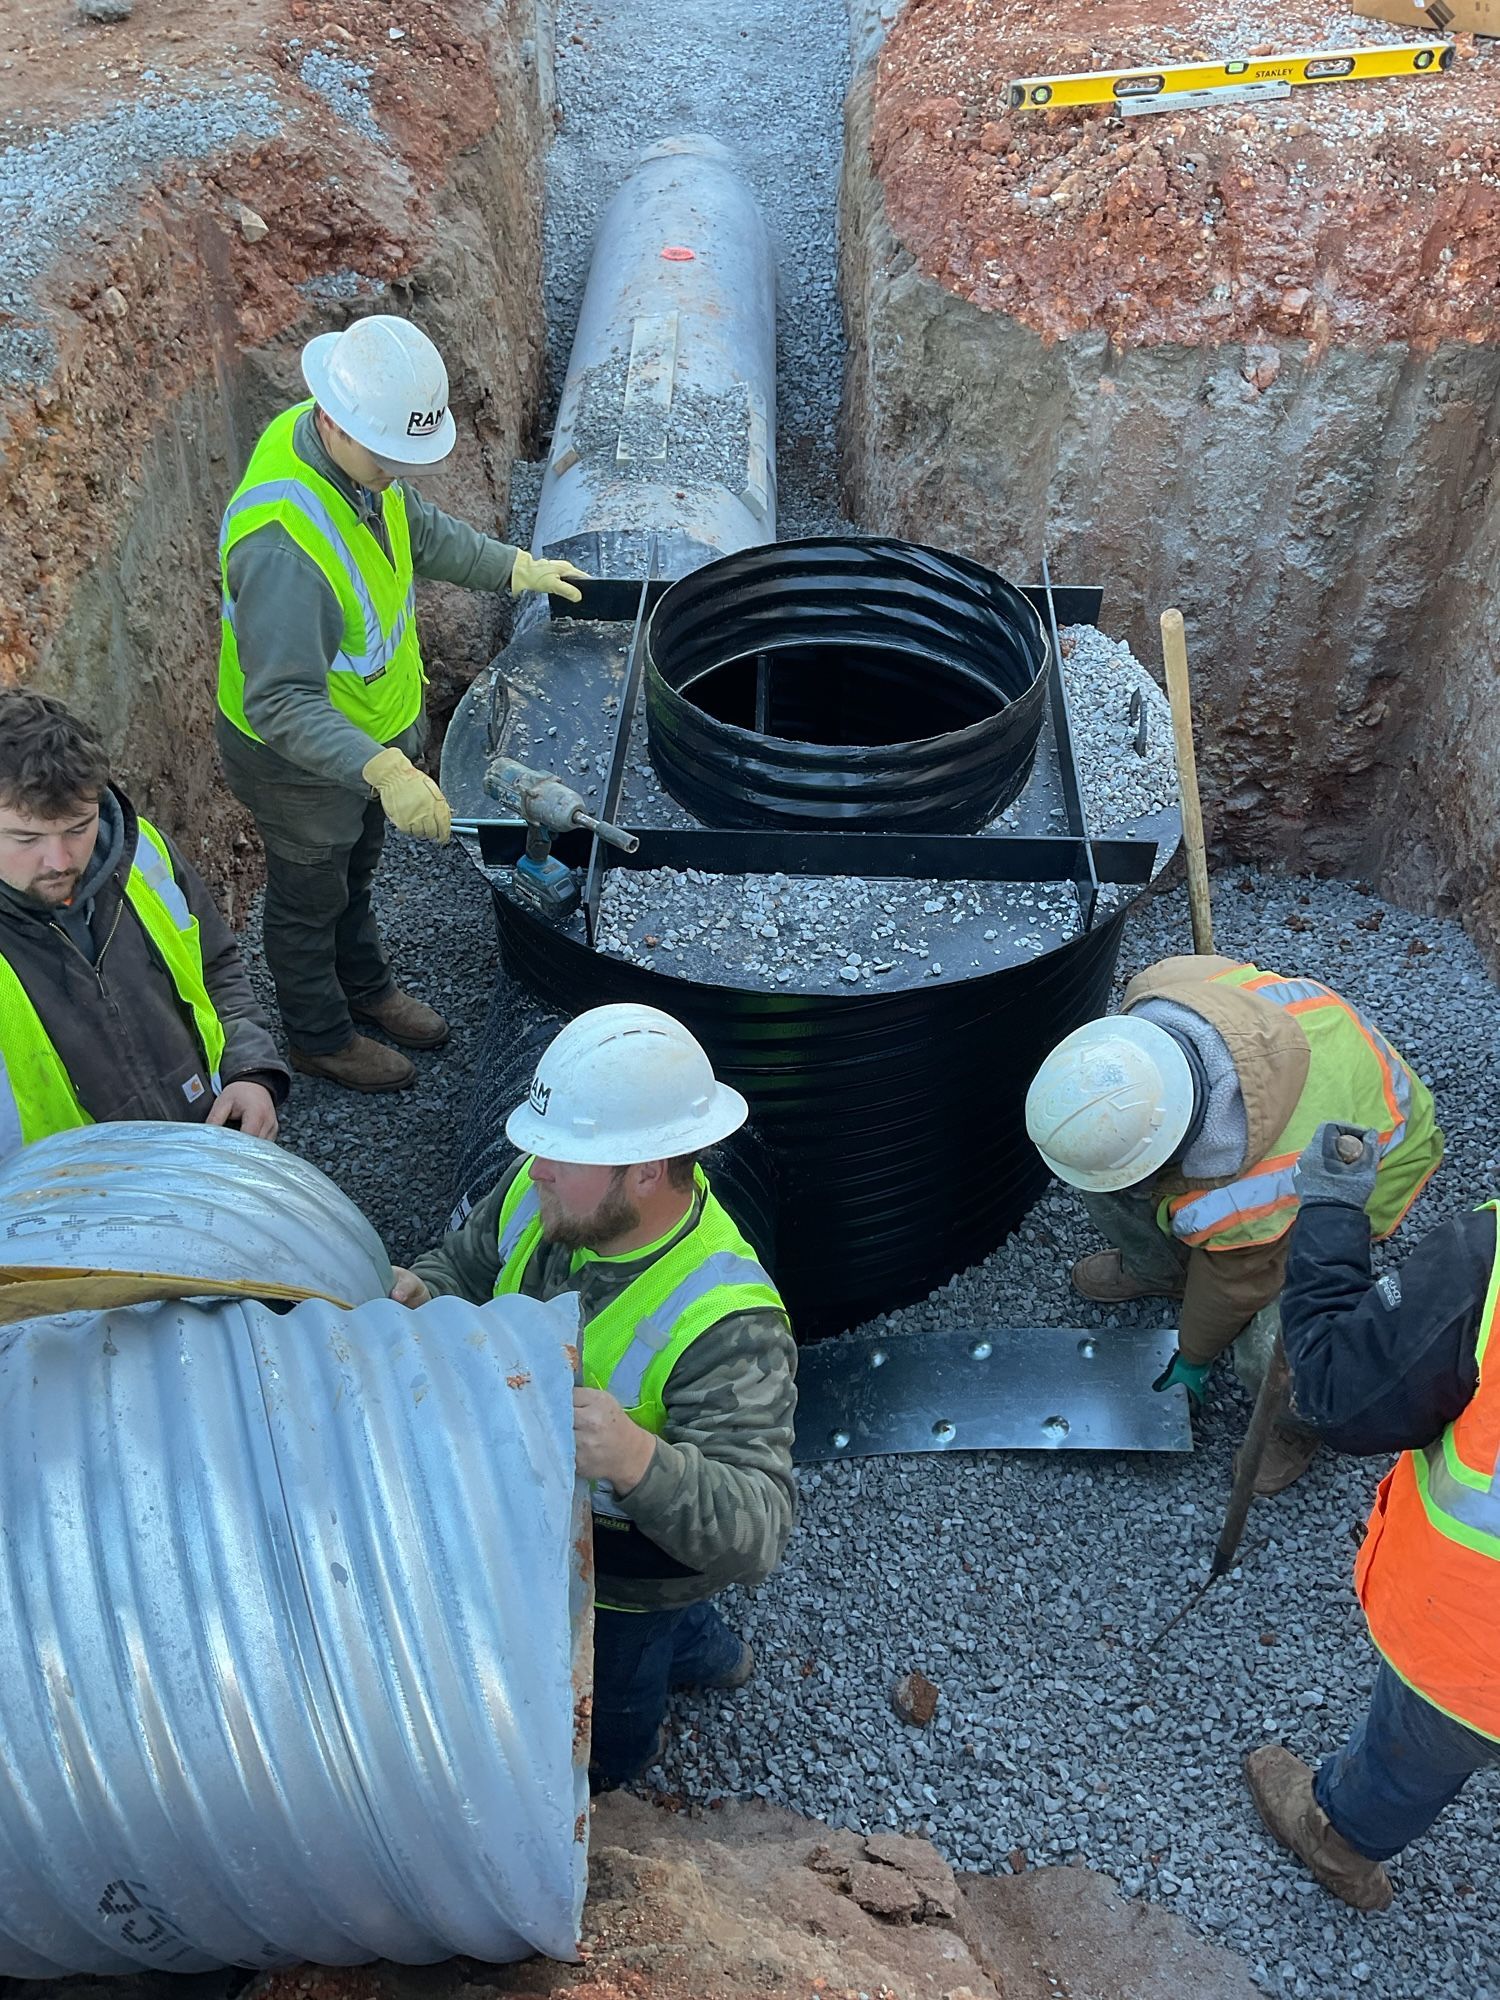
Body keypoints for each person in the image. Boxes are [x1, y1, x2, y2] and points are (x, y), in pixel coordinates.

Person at [390, 1003, 797, 1789]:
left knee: (614, 1701)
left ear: (644, 1170)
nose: (535, 1168)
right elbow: (466, 1266)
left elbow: (758, 1527)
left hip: (630, 1581)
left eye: (562, 1157)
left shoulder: (728, 1324)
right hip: (544, 1539)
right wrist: (424, 1293)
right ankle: (714, 1655)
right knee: (681, 1635)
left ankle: (618, 1765)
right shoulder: (542, 1185)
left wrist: (640, 1460)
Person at [215, 313, 588, 1092]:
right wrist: (383, 767)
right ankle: (319, 1035)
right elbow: (282, 700)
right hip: (298, 761)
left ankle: (369, 989)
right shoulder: (284, 544)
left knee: (353, 873)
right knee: (308, 897)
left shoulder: (353, 462)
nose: (396, 472)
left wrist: (514, 568)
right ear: (334, 419)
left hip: (359, 738)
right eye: (387, 456)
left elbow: (415, 529)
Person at [1025, 954, 1442, 1493]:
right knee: (1102, 1176)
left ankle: (1296, 1422)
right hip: (1282, 1070)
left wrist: (1194, 1357)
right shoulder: (1161, 991)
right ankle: (1165, 1271)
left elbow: (1238, 1280)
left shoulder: (1246, 1195)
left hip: (1367, 1171)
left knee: (1278, 1341)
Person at [1243, 1119, 1500, 1909]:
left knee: (1419, 1746)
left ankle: (1338, 1837)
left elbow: (1336, 1393)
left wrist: (1329, 1209)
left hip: (1476, 1639)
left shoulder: (1487, 1263)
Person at [0, 690, 287, 1156]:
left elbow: (216, 968)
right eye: (25, 837)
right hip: (65, 1206)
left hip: (210, 1144)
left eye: (78, 827)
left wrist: (251, 1074)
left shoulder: (143, 856)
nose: (58, 860)